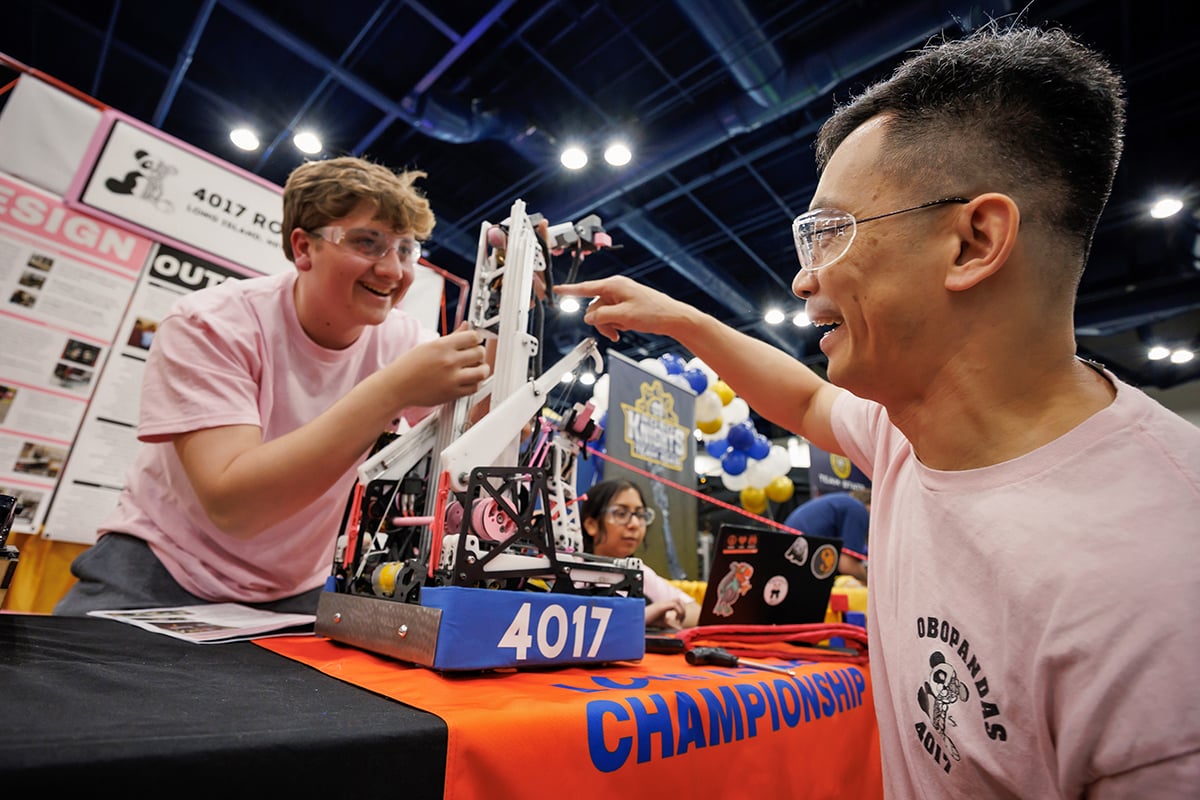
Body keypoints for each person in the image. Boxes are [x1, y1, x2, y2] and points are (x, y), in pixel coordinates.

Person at [557, 23, 1200, 799]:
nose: (802, 281)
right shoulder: (910, 433)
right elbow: (802, 397)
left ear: (973, 242)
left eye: (829, 233)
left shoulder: (1158, 589)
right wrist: (685, 321)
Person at [55, 156, 490, 616]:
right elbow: (235, 507)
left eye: (406, 249)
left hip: (297, 586)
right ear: (303, 247)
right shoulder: (212, 323)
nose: (393, 271)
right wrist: (391, 391)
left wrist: (510, 305)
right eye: (368, 243)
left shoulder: (404, 340)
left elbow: (482, 434)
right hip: (161, 568)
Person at [578, 478, 699, 629]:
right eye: (621, 514)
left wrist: (671, 615)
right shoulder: (572, 572)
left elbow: (695, 611)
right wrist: (643, 616)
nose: (634, 524)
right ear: (591, 525)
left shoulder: (639, 573)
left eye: (640, 515)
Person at [783, 487, 869, 583]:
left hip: (789, 551)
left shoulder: (843, 502)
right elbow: (846, 565)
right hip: (802, 559)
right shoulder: (858, 509)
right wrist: (873, 584)